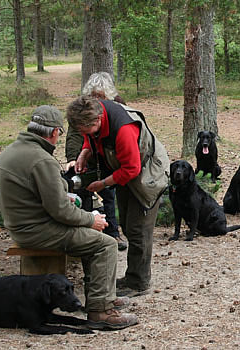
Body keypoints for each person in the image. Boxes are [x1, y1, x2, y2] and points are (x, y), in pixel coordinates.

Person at [0, 105, 138, 330]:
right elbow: (60, 211)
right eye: (59, 134)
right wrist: (91, 219)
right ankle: (100, 311)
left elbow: (34, 196)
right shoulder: (41, 160)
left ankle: (101, 296)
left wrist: (66, 201)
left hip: (21, 225)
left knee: (92, 238)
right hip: (37, 231)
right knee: (106, 244)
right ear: (53, 133)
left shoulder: (13, 151)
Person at [66, 96, 169, 297]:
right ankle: (133, 276)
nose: (81, 134)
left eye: (83, 130)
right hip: (126, 171)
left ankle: (138, 282)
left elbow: (132, 168)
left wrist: (103, 183)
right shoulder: (97, 113)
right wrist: (84, 153)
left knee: (138, 229)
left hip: (147, 175)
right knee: (127, 224)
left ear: (96, 121)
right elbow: (91, 137)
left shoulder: (123, 130)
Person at [65, 72, 127, 251]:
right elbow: (75, 135)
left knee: (108, 193)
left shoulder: (118, 105)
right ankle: (84, 233)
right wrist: (73, 158)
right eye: (94, 95)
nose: (96, 99)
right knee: (82, 193)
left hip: (109, 158)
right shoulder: (81, 108)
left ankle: (113, 233)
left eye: (100, 96)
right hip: (88, 157)